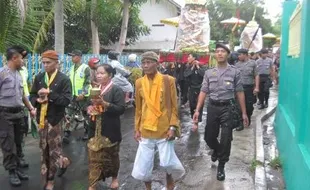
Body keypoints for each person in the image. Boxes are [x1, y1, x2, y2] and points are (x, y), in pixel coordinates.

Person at [193, 44, 249, 181]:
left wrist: (244, 113)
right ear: (214, 55)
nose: (219, 53)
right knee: (208, 137)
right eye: (217, 51)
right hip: (212, 107)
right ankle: (217, 150)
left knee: (226, 138)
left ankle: (221, 165)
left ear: (227, 54)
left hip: (227, 108)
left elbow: (240, 92)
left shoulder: (235, 72)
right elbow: (203, 91)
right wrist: (197, 110)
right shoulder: (208, 72)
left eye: (222, 51)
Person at [132, 51, 185, 190]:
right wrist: (137, 128)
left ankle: (169, 176)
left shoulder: (169, 81)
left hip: (164, 127)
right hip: (145, 128)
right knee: (144, 163)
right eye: (143, 63)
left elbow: (174, 106)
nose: (145, 65)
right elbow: (138, 108)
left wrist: (173, 127)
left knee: (167, 161)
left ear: (157, 63)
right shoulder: (138, 83)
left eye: (149, 62)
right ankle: (147, 187)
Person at [30, 50, 72, 190]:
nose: (45, 65)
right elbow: (32, 95)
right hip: (41, 119)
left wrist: (51, 94)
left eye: (48, 62)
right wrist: (37, 100)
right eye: (43, 63)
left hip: (55, 120)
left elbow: (66, 100)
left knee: (53, 151)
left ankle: (51, 180)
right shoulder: (39, 77)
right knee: (44, 149)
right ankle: (57, 167)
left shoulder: (63, 79)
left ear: (56, 63)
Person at [0, 46, 36, 187]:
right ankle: (12, 171)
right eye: (21, 58)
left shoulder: (19, 74)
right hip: (4, 114)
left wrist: (31, 108)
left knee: (19, 142)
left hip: (19, 113)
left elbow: (22, 95)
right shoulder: (2, 74)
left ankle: (18, 168)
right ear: (14, 58)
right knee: (8, 145)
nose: (23, 61)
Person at [86, 64, 125, 190]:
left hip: (110, 129)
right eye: (97, 73)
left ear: (110, 75)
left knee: (112, 156)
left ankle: (114, 177)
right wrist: (89, 108)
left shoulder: (116, 90)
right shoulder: (94, 89)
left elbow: (120, 109)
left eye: (102, 73)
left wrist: (105, 104)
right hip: (94, 129)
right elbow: (86, 105)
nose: (98, 75)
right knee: (94, 158)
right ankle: (92, 184)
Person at [66, 50, 91, 141]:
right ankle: (67, 132)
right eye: (71, 56)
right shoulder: (72, 68)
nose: (72, 58)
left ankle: (87, 132)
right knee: (70, 113)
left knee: (85, 114)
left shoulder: (85, 68)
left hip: (83, 96)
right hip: (73, 95)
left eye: (73, 56)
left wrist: (83, 93)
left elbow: (88, 82)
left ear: (79, 57)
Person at [235, 49, 260, 130]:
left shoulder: (253, 63)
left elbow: (256, 75)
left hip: (249, 88)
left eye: (239, 55)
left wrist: (256, 87)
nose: (238, 56)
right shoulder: (237, 64)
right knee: (238, 106)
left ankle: (247, 117)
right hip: (239, 88)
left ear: (245, 55)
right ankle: (240, 123)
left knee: (249, 106)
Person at [184, 53, 206, 131]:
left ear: (194, 58)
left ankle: (196, 122)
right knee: (192, 105)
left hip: (200, 89)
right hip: (192, 89)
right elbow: (186, 75)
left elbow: (204, 75)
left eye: (189, 56)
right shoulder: (188, 66)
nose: (188, 58)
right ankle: (194, 120)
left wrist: (198, 67)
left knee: (199, 105)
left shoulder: (202, 66)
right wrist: (192, 67)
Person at [18, 63, 31, 168]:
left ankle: (20, 156)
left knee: (22, 131)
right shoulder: (5, 73)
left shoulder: (25, 70)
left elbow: (27, 85)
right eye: (21, 58)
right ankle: (14, 160)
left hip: (25, 104)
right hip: (13, 106)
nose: (23, 61)